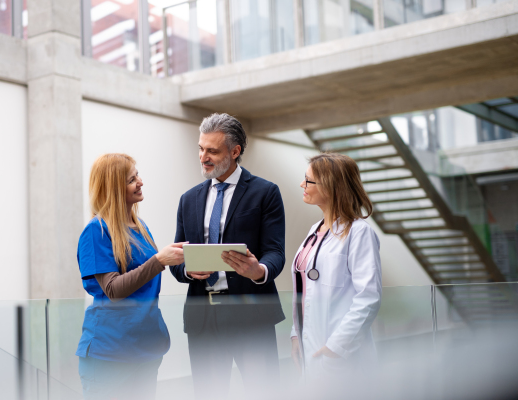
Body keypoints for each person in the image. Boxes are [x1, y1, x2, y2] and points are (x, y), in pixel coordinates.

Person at [170, 113, 286, 399]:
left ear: (235, 152)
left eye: (212, 150)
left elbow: (276, 252)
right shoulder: (189, 199)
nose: (203, 157)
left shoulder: (266, 193)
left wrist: (258, 270)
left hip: (252, 315)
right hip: (203, 316)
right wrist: (187, 270)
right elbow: (177, 257)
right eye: (200, 148)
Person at [76, 153, 185, 400]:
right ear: (114, 188)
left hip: (145, 348)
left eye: (138, 176)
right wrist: (158, 260)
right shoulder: (97, 232)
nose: (141, 182)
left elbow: (146, 276)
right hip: (110, 353)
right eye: (131, 179)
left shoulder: (141, 227)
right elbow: (113, 289)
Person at [291, 153, 382, 379]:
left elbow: (368, 298)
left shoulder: (359, 233)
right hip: (309, 346)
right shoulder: (315, 231)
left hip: (340, 353)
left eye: (308, 180)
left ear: (331, 186)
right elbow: (304, 291)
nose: (302, 184)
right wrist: (296, 335)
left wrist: (336, 348)